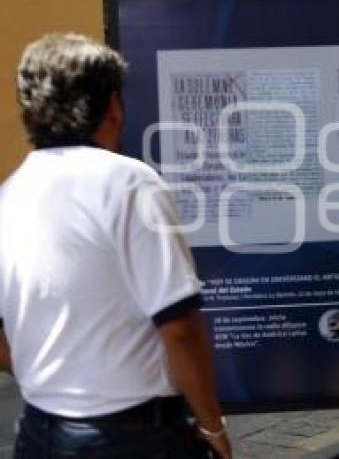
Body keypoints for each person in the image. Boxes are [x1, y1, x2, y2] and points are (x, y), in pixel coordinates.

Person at [0, 34, 232, 458]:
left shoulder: (11, 192)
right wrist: (212, 427)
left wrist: (55, 382)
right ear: (111, 107)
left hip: (39, 434)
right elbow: (179, 327)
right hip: (132, 438)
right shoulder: (130, 183)